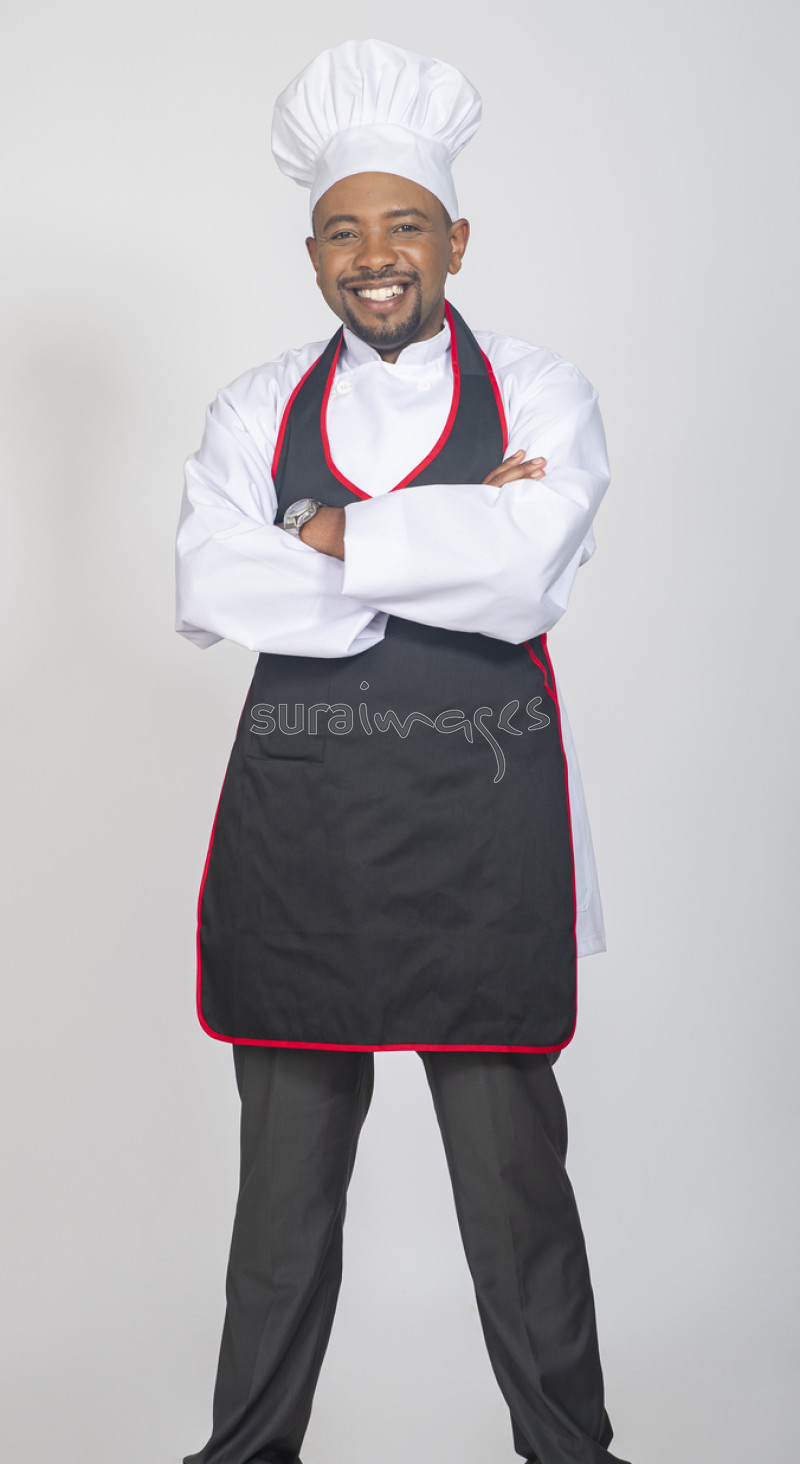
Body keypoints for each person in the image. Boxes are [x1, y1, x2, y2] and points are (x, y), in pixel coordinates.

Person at [176, 38, 628, 1464]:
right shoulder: (254, 406)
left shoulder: (543, 391)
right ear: (314, 251)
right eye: (345, 232)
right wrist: (446, 535)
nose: (376, 258)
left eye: (406, 225)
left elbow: (527, 575)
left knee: (517, 1200)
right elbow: (213, 585)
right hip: (303, 851)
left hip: (478, 849)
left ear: (456, 241)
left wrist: (322, 533)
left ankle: (571, 1453)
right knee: (280, 1211)